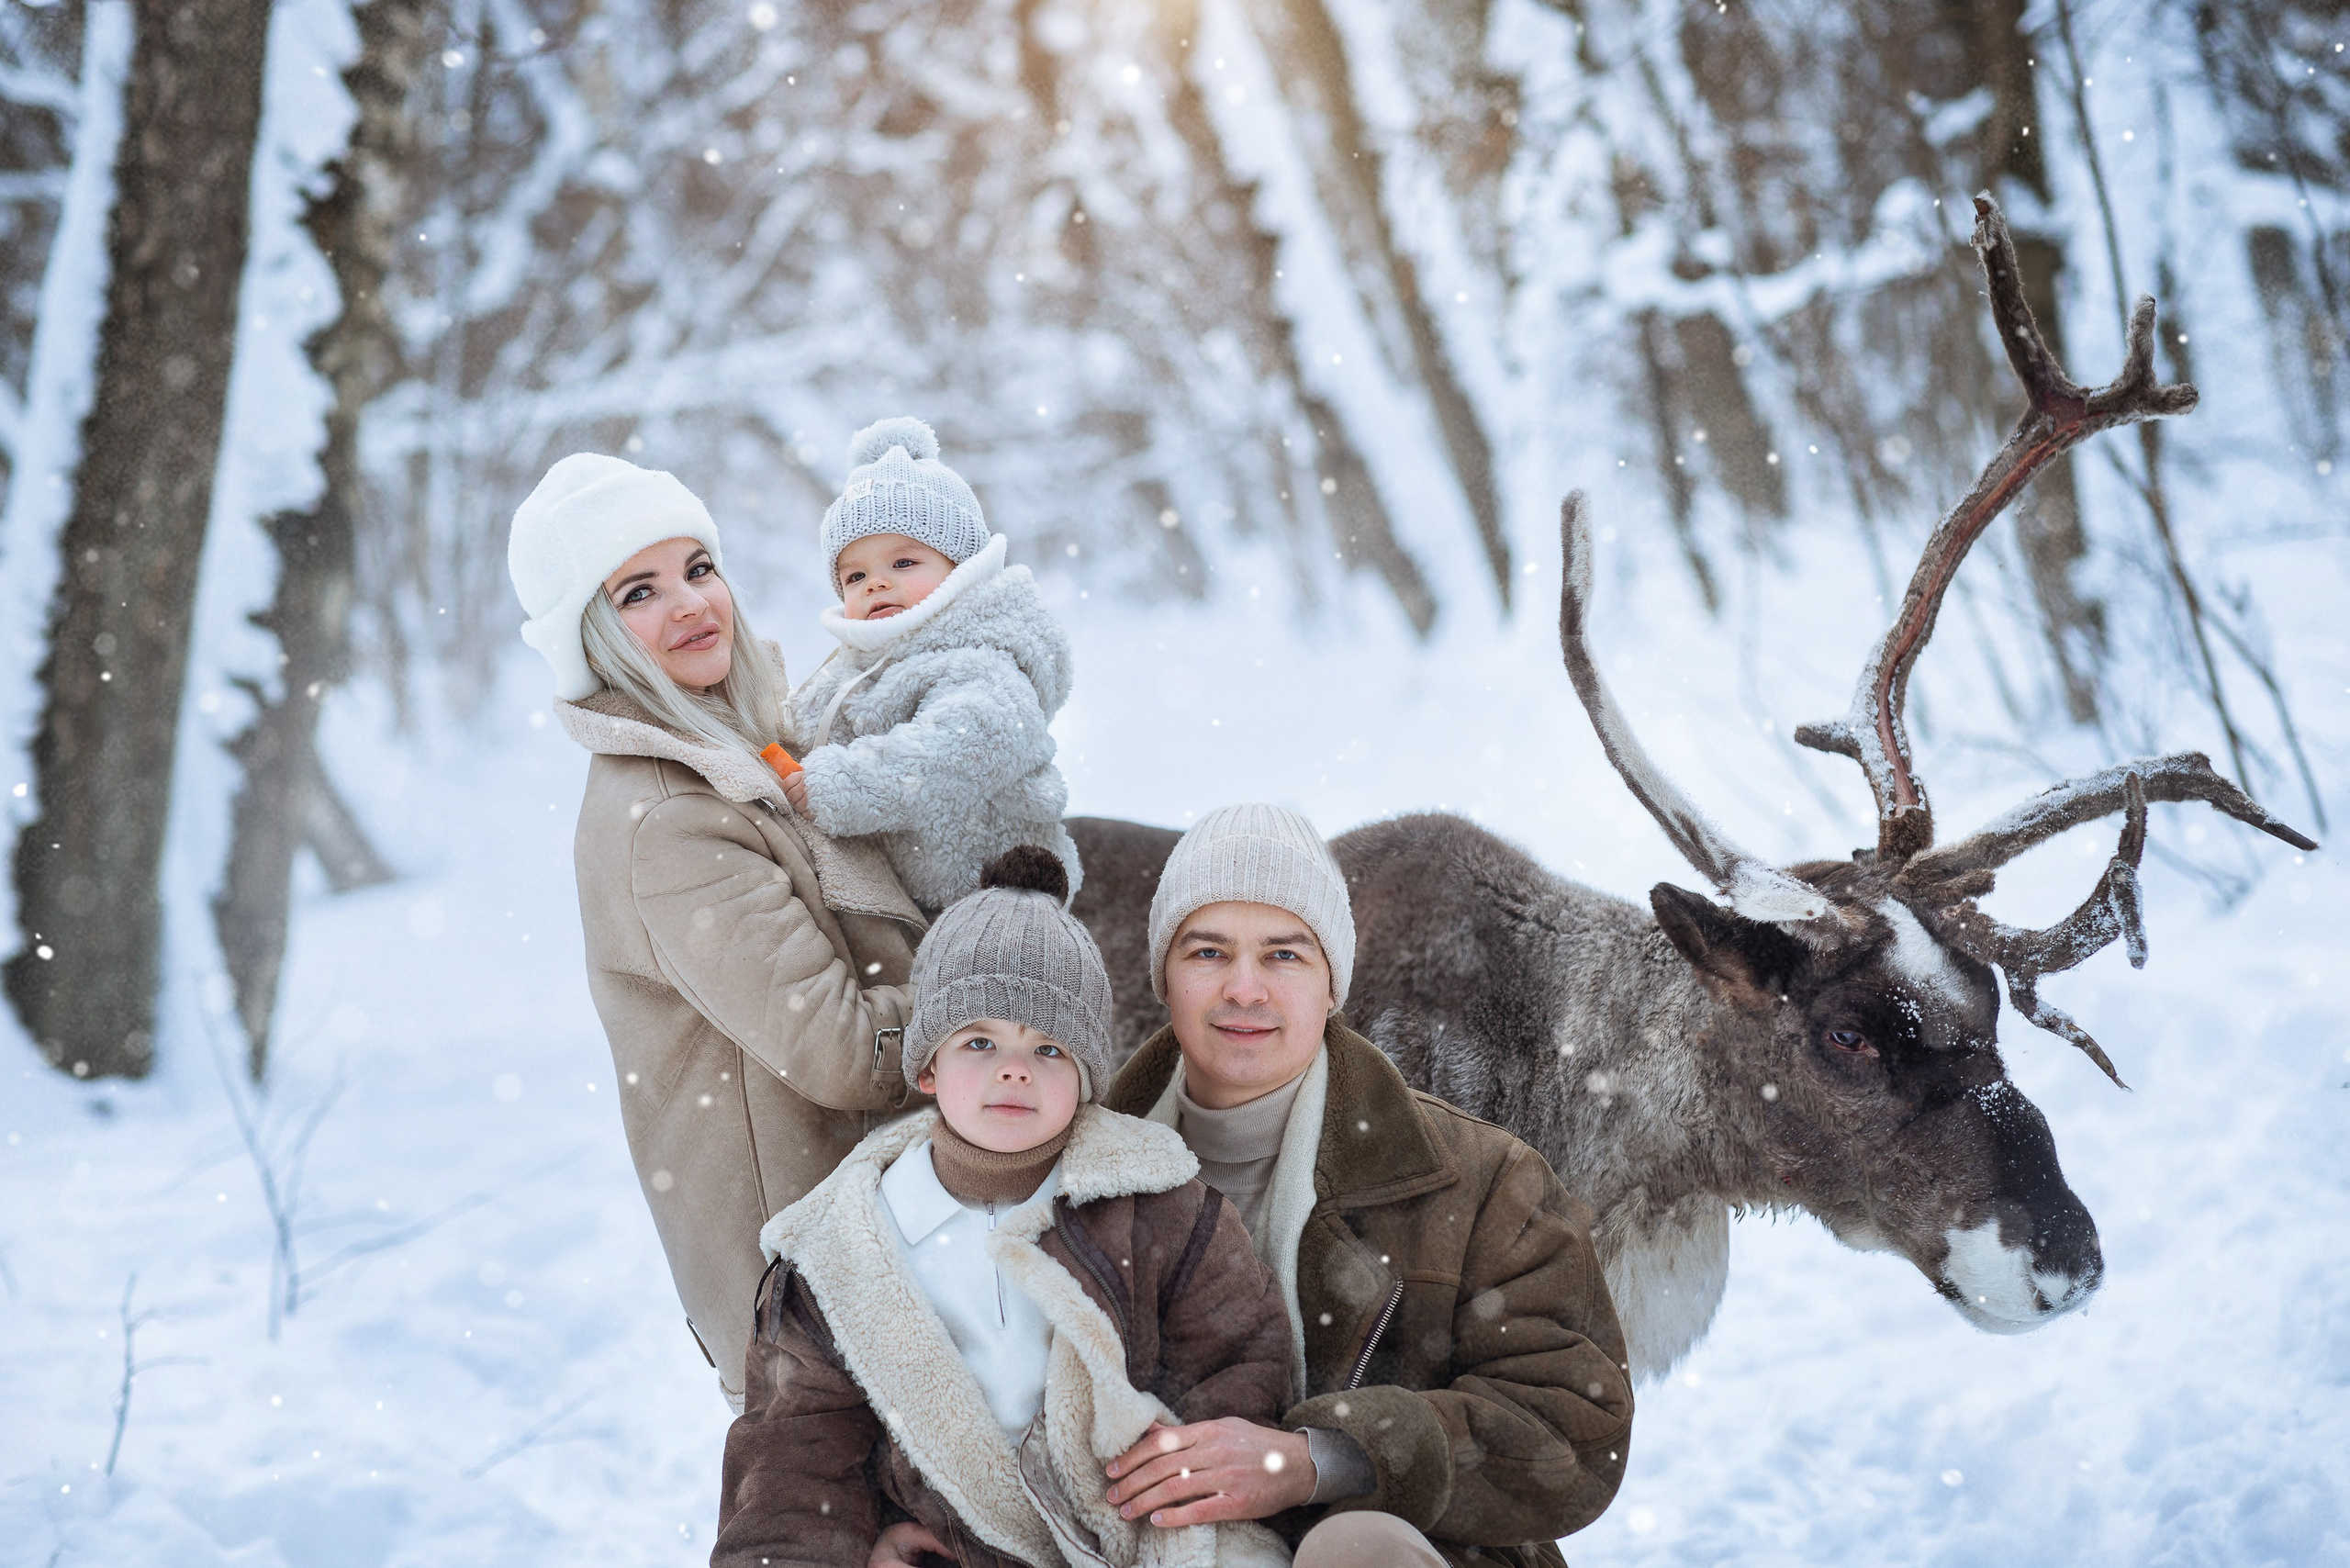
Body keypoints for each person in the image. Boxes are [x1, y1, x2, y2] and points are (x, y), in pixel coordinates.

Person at [714, 849, 1294, 1568]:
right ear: (927, 1066)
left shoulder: (1160, 1208)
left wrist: (1182, 1513)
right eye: (980, 1042)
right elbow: (796, 1460)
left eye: (1049, 1048)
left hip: (1139, 1538)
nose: (1014, 1069)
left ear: (1085, 1079)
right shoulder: (844, 1251)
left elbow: (1237, 1365)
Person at [1099, 805, 1636, 1568]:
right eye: (1208, 952)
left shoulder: (1480, 1176)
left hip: (1395, 1549)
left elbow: (1576, 1428)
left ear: (1331, 983)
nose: (1244, 989)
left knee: (1357, 1547)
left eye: (1284, 956)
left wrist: (1320, 1459)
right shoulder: (1074, 1173)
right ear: (1164, 977)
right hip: (1133, 1543)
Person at [509, 452, 928, 1411]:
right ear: (591, 638)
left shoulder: (747, 745)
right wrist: (994, 993)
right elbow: (847, 1051)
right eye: (638, 592)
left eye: (699, 568)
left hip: (886, 1234)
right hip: (821, 1295)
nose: (691, 604)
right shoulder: (669, 817)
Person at [778, 415, 1082, 915]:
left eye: (903, 563)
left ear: (961, 568)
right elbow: (806, 726)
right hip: (907, 904)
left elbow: (953, 751)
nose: (875, 584)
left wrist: (842, 785)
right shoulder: (860, 666)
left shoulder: (985, 661)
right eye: (855, 575)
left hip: (992, 902)